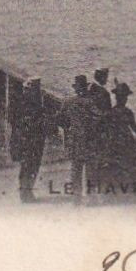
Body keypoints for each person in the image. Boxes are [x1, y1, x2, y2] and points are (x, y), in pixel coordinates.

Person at [10, 78, 48, 203]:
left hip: (32, 140)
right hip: (27, 140)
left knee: (32, 165)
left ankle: (27, 191)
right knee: (28, 166)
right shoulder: (23, 103)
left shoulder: (32, 102)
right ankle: (25, 192)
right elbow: (15, 120)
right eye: (33, 89)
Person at [60, 75, 91, 204]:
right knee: (89, 168)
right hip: (88, 138)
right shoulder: (90, 102)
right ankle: (90, 197)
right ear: (86, 87)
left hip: (73, 139)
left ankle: (76, 198)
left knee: (75, 168)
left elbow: (61, 120)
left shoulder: (68, 102)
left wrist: (68, 130)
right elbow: (99, 120)